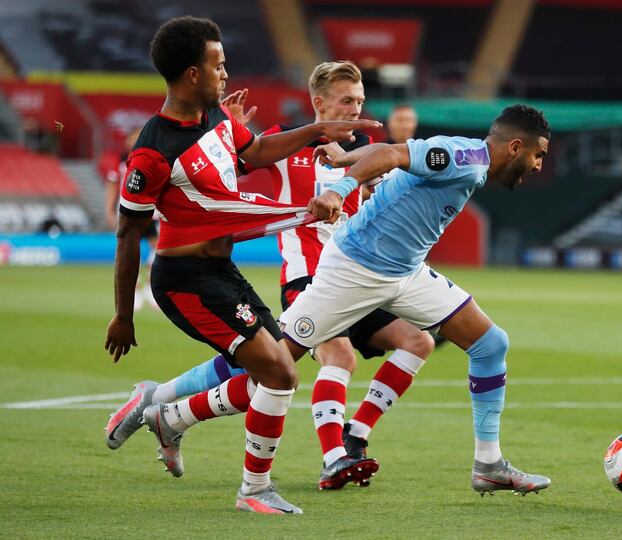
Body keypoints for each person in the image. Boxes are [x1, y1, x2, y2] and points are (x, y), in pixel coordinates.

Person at [105, 61, 434, 491]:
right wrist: (227, 132)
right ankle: (334, 457)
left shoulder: (366, 154)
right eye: (346, 101)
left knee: (414, 342)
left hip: (358, 279)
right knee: (318, 361)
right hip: (306, 280)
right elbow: (225, 169)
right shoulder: (286, 145)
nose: (355, 110)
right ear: (319, 103)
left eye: (360, 102)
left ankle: (165, 403)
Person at [279, 104, 552, 496]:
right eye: (537, 154)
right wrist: (341, 187)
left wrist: (345, 156)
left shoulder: (466, 158)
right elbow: (391, 154)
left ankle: (489, 466)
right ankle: (171, 408)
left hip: (405, 273)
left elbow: (400, 152)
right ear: (515, 147)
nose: (539, 166)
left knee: (491, 343)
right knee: (270, 360)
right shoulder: (466, 160)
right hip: (357, 268)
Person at [99, 127, 159, 310]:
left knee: (157, 249)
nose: (135, 141)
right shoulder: (119, 161)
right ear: (126, 140)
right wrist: (109, 211)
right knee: (129, 251)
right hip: (127, 212)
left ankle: (150, 287)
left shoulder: (153, 159)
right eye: (132, 137)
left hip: (151, 211)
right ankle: (134, 291)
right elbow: (111, 187)